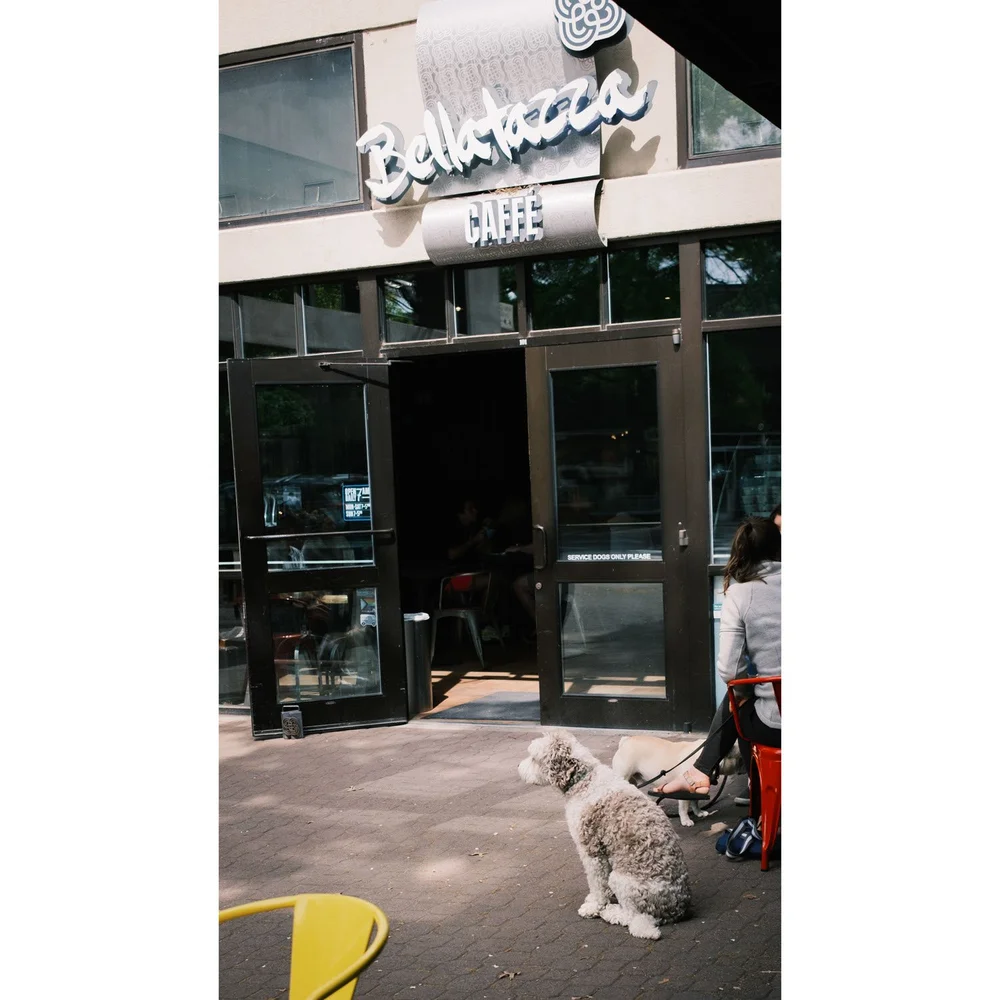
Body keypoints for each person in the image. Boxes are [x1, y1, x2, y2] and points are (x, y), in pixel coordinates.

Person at [652, 515, 781, 799]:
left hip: (777, 724)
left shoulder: (740, 594)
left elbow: (729, 671)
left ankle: (750, 799)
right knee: (745, 703)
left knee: (740, 701)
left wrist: (748, 690)